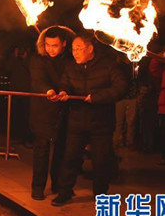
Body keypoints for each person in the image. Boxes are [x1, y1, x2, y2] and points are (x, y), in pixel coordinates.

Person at [50, 33, 127, 206]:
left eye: (79, 49)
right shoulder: (71, 67)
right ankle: (64, 192)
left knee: (100, 160)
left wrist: (97, 97)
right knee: (70, 158)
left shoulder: (108, 66)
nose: (75, 53)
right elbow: (65, 84)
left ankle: (100, 194)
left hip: (101, 122)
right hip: (76, 120)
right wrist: (63, 92)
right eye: (73, 49)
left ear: (90, 49)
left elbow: (121, 88)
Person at [29, 26, 74, 200]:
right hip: (42, 111)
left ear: (63, 44)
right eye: (48, 45)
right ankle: (38, 187)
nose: (51, 49)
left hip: (64, 110)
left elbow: (70, 78)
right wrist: (47, 90)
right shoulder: (38, 59)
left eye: (55, 45)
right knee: (41, 150)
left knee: (62, 150)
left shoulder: (70, 60)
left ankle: (58, 185)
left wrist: (64, 90)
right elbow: (38, 78)